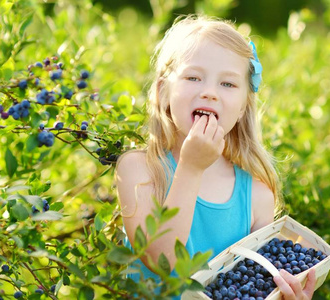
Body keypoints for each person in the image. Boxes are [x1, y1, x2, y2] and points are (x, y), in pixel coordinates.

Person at [116, 15, 316, 299]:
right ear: (163, 92)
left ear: (244, 106)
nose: (209, 92)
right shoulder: (139, 170)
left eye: (228, 84)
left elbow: (254, 287)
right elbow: (161, 261)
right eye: (193, 77)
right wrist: (191, 167)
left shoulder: (257, 194)